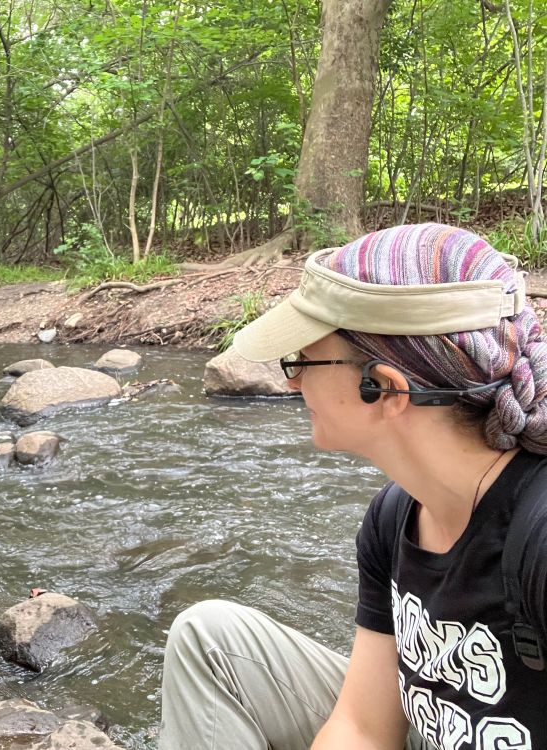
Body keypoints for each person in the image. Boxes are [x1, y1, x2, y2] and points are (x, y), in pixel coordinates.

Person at [158, 223, 547, 750]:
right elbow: (363, 726)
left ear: (385, 389)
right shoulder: (394, 518)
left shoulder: (538, 540)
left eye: (301, 359)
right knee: (210, 636)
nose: (292, 382)